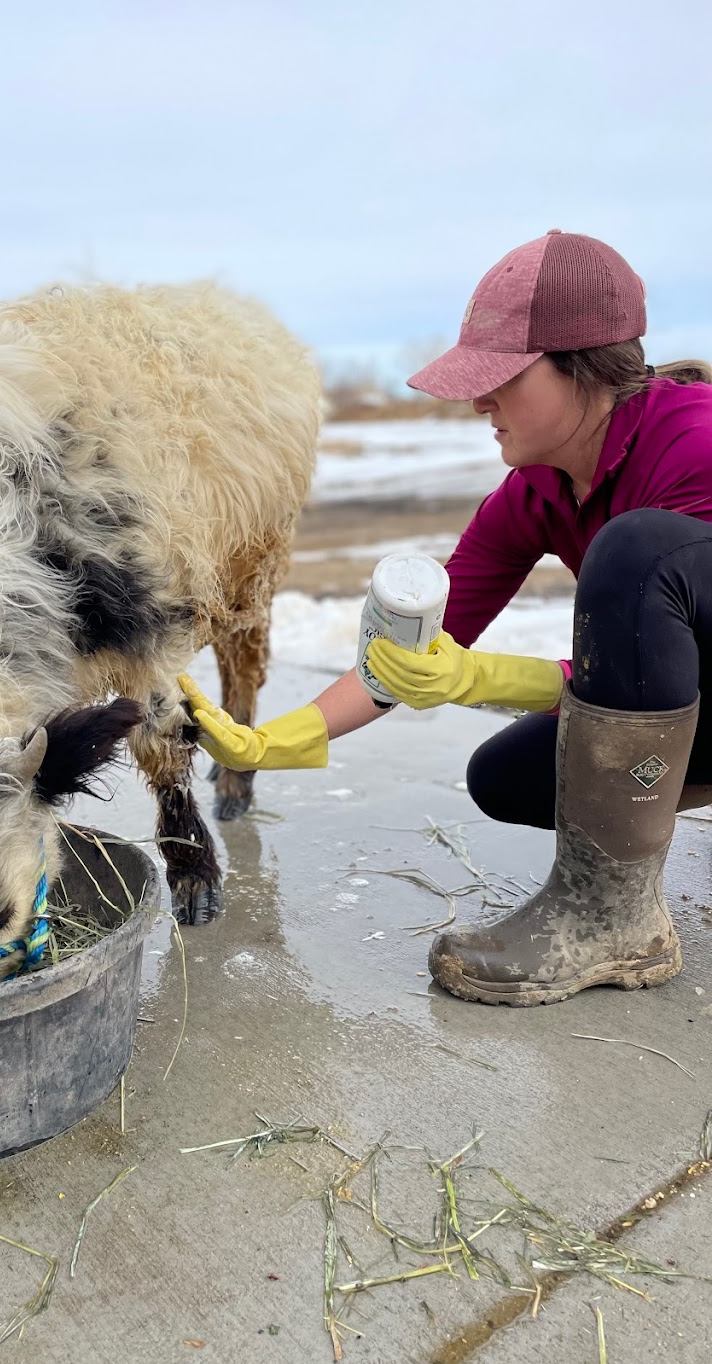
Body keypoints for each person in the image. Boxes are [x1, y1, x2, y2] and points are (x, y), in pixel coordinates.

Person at [179, 229, 712, 1008]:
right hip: (694, 701)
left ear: (584, 366)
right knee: (508, 777)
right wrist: (275, 739)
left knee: (637, 553)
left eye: (501, 377)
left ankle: (616, 922)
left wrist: (482, 677)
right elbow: (417, 646)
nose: (477, 401)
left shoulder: (694, 441)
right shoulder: (536, 489)